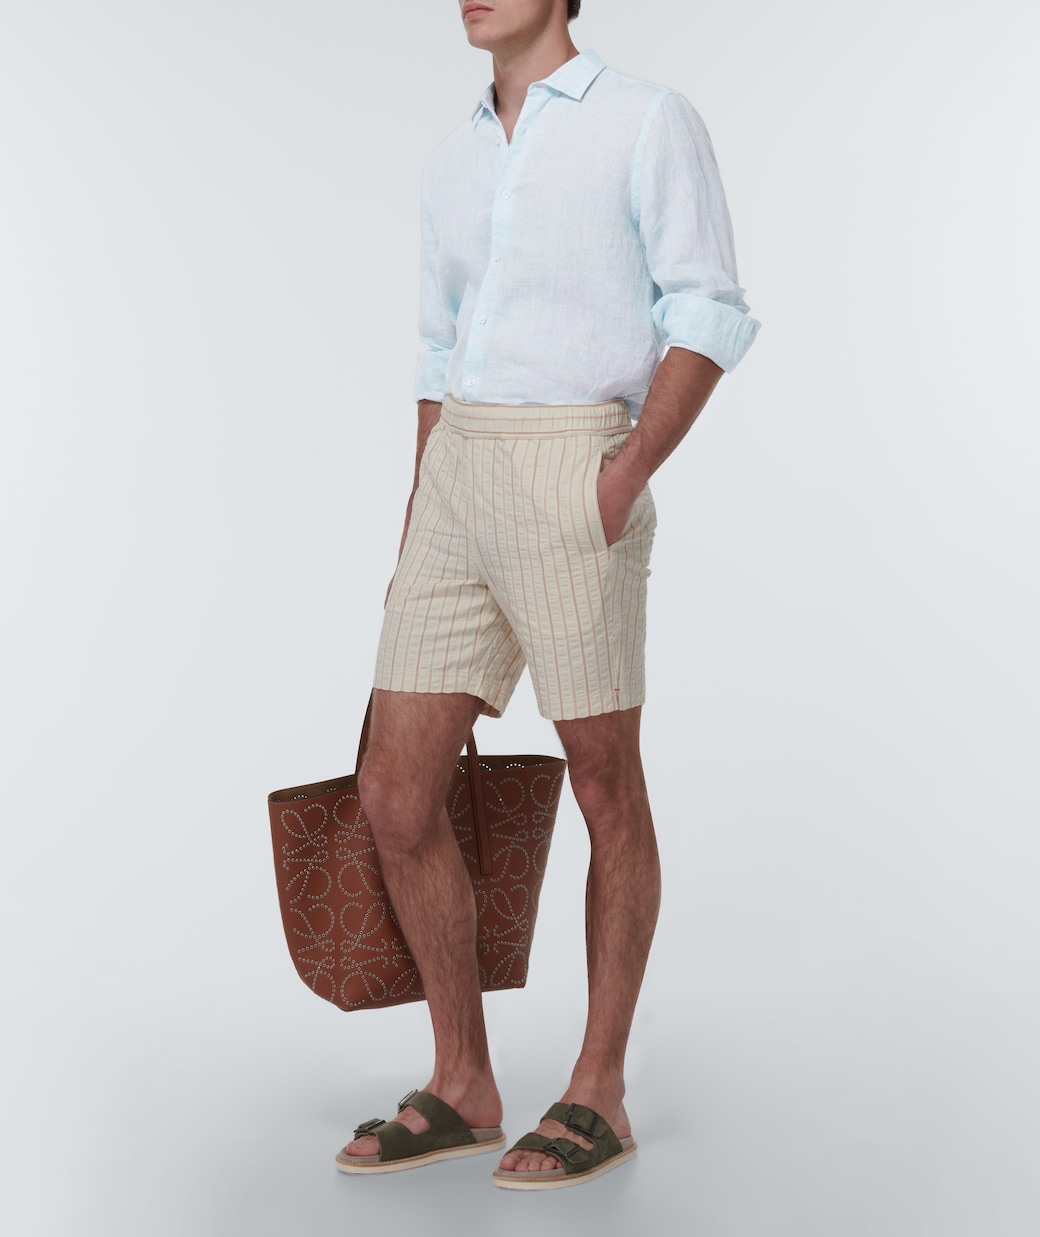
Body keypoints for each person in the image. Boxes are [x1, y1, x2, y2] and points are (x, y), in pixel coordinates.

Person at [335, 0, 759, 1189]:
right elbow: (437, 344)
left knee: (603, 784)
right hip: (455, 473)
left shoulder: (645, 121)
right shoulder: (452, 155)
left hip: (575, 459)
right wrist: (418, 505)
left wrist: (621, 476)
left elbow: (706, 309)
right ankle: (463, 1079)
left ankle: (598, 1089)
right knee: (393, 790)